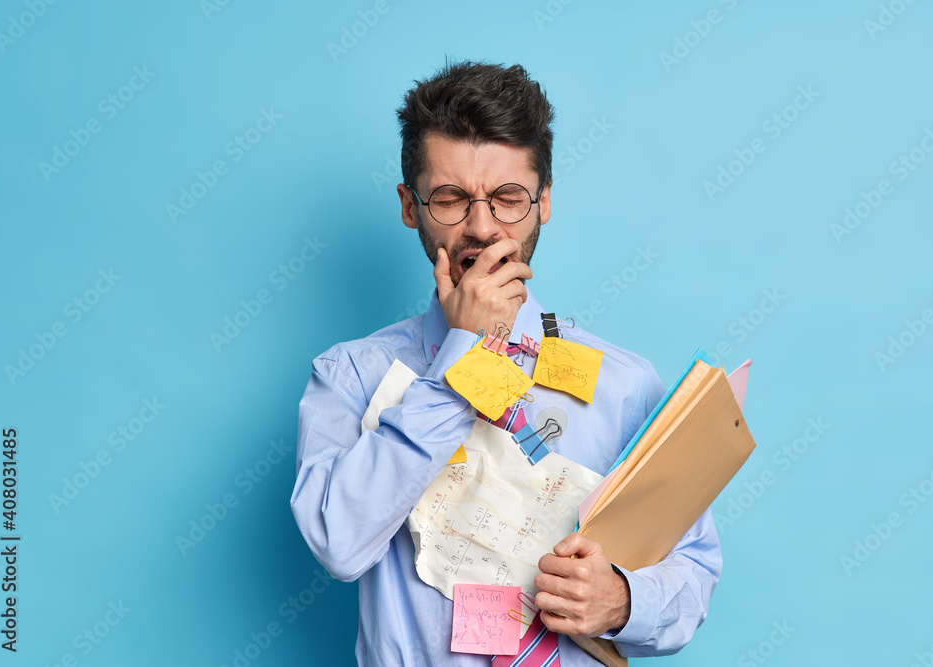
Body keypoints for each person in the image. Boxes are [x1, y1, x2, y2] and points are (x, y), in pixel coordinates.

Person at [290, 59, 722, 666]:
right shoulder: (349, 378)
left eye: (507, 198)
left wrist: (624, 601)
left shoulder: (626, 385)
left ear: (544, 201)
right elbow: (338, 543)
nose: (482, 228)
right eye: (450, 198)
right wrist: (461, 363)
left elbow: (693, 569)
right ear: (410, 206)